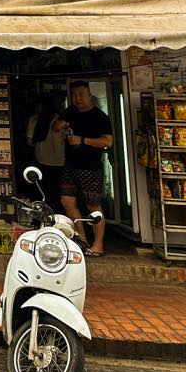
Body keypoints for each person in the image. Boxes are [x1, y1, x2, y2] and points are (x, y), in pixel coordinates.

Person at [51, 81, 113, 256]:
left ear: (89, 95)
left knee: (93, 205)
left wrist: (82, 140)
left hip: (91, 167)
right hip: (70, 165)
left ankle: (98, 244)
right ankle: (81, 239)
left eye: (81, 95)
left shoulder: (99, 117)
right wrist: (60, 124)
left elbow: (108, 141)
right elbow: (54, 127)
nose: (77, 99)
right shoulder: (70, 112)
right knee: (66, 201)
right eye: (74, 95)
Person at [27, 94, 66, 206]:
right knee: (56, 192)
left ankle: (43, 215)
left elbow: (30, 142)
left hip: (41, 160)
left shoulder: (34, 120)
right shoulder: (60, 121)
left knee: (42, 192)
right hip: (59, 161)